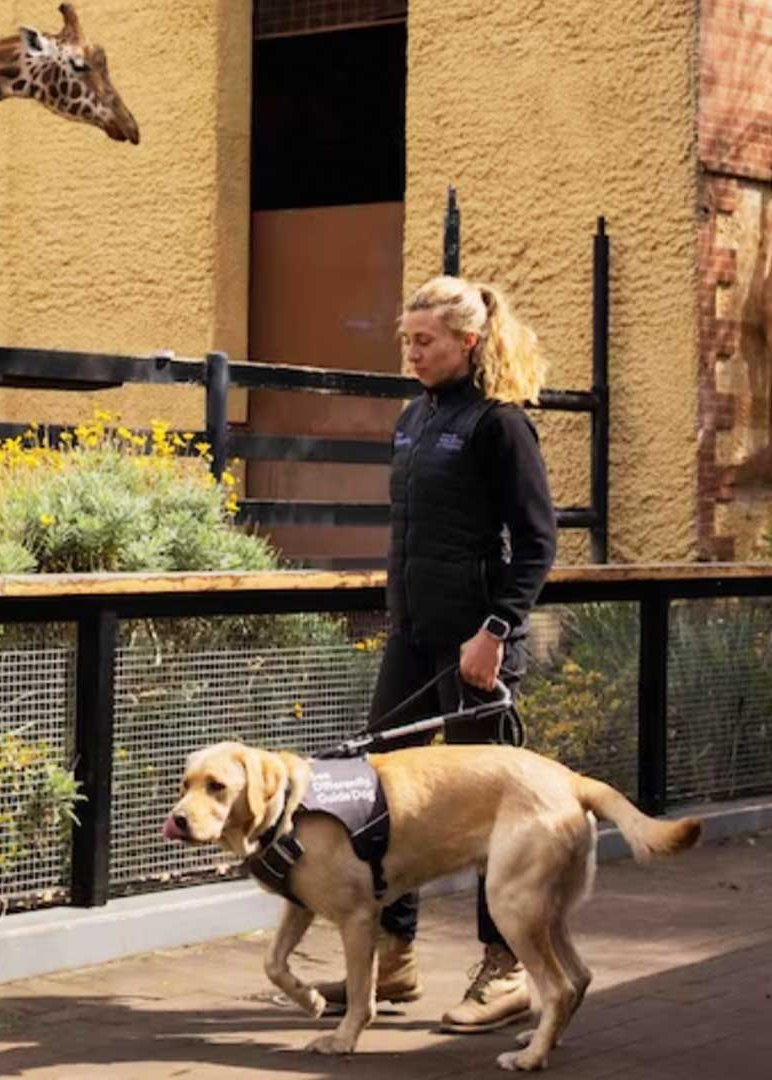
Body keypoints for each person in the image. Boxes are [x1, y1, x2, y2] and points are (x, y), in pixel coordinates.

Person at [314, 275, 557, 1034]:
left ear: (468, 342)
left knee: (488, 810)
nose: (412, 353)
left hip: (476, 645)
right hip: (413, 639)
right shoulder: (413, 419)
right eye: (406, 340)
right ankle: (393, 954)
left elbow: (538, 543)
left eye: (426, 341)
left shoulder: (500, 425)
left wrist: (495, 631)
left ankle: (507, 967)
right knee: (380, 797)